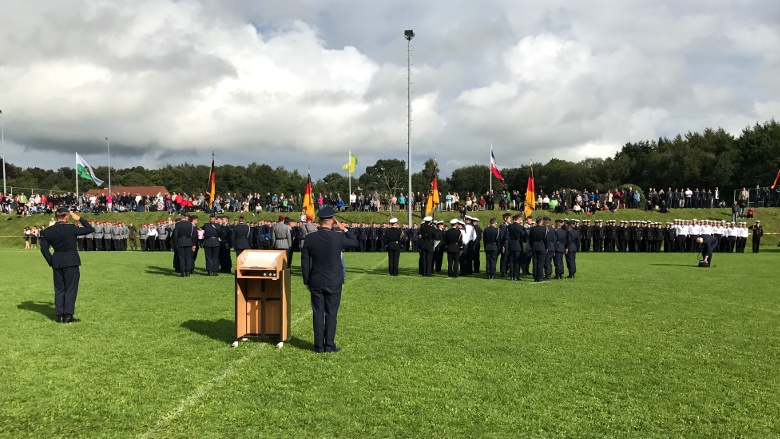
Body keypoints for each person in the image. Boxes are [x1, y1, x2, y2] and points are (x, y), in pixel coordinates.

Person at [300, 207, 359, 353]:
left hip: (316, 280)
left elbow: (305, 262)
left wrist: (306, 281)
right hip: (334, 280)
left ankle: (319, 346)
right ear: (332, 221)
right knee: (331, 313)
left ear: (319, 222)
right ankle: (329, 344)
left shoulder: (309, 238)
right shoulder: (338, 237)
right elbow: (355, 242)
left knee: (318, 313)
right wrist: (344, 228)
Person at [39, 207, 94, 323]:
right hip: (71, 261)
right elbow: (90, 229)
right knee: (70, 289)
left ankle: (60, 315)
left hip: (57, 261)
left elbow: (44, 249)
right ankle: (68, 315)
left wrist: (51, 261)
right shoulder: (71, 228)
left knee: (59, 289)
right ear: (66, 217)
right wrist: (80, 218)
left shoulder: (48, 231)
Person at [528, 216, 549, 282]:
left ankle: (535, 276)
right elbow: (546, 239)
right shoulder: (544, 229)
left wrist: (531, 246)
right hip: (541, 246)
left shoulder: (532, 229)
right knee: (541, 262)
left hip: (534, 246)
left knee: (535, 262)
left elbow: (530, 239)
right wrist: (546, 247)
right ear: (541, 221)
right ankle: (540, 276)